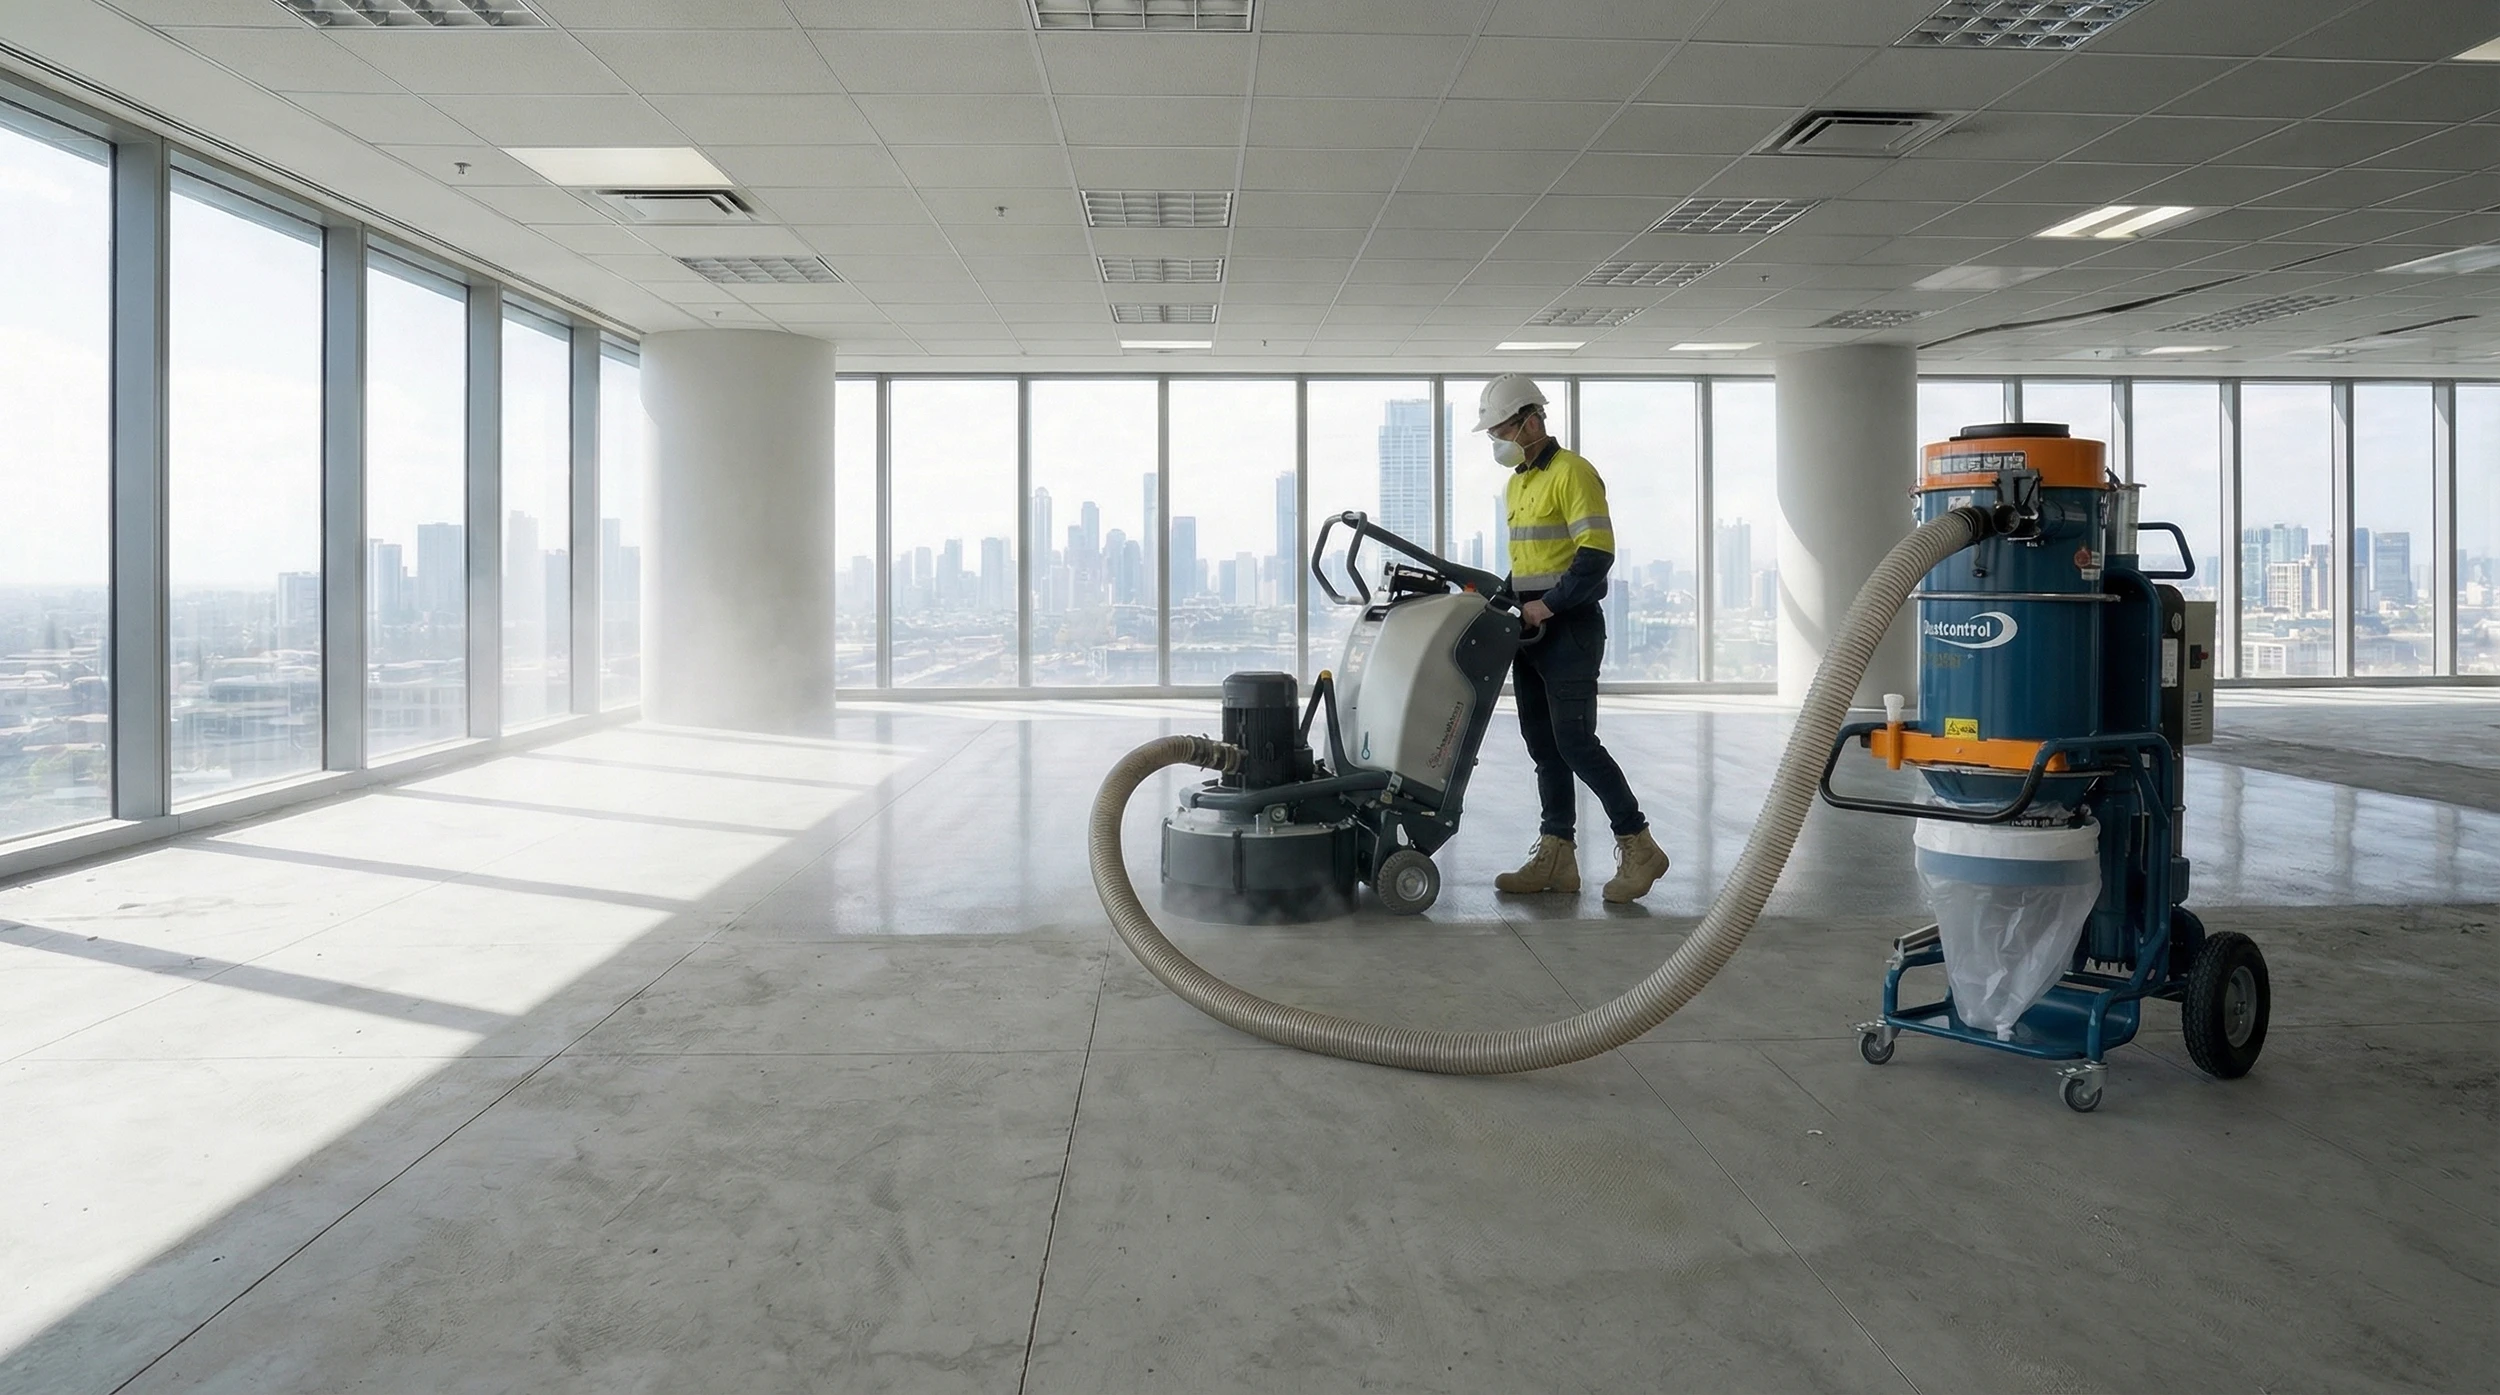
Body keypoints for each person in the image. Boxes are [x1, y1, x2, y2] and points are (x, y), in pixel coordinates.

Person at [1475, 373, 1669, 904]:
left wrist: (1550, 604)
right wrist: (1503, 602)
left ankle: (1640, 845)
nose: (1498, 440)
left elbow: (1595, 557)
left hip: (1571, 630)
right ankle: (1557, 855)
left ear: (1531, 420)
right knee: (1544, 748)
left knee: (1576, 742)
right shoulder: (1517, 482)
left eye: (1503, 429)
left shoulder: (1573, 473)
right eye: (1492, 432)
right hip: (1530, 631)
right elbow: (1531, 561)